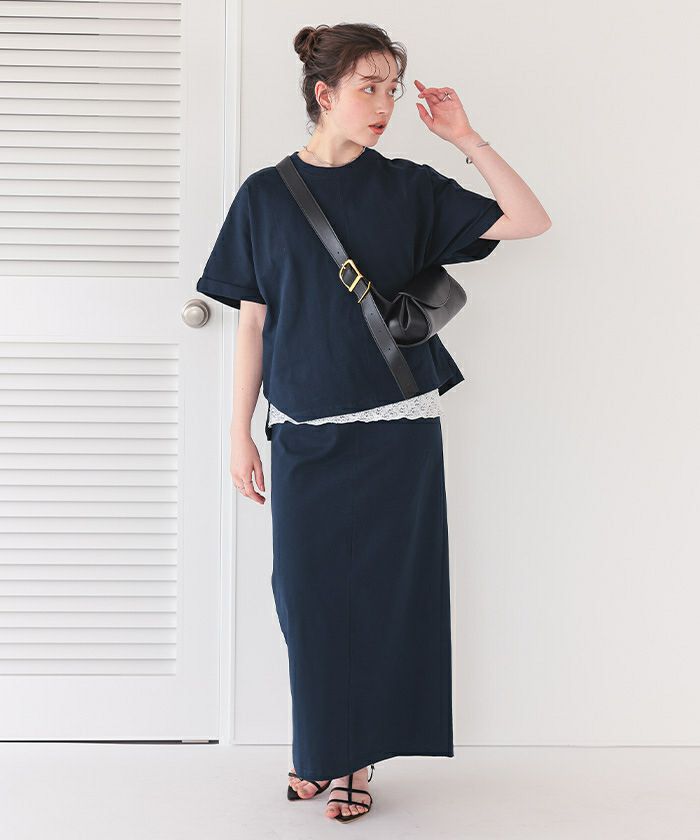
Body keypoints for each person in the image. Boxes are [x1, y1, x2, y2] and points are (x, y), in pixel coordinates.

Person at [196, 22, 552, 824]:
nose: (385, 103)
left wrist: (465, 138)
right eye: (369, 87)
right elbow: (252, 323)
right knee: (308, 599)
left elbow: (528, 219)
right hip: (303, 430)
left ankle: (350, 761)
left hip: (397, 428)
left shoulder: (409, 188)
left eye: (392, 87)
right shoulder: (264, 196)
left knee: (387, 598)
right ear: (324, 93)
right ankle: (321, 742)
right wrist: (237, 430)